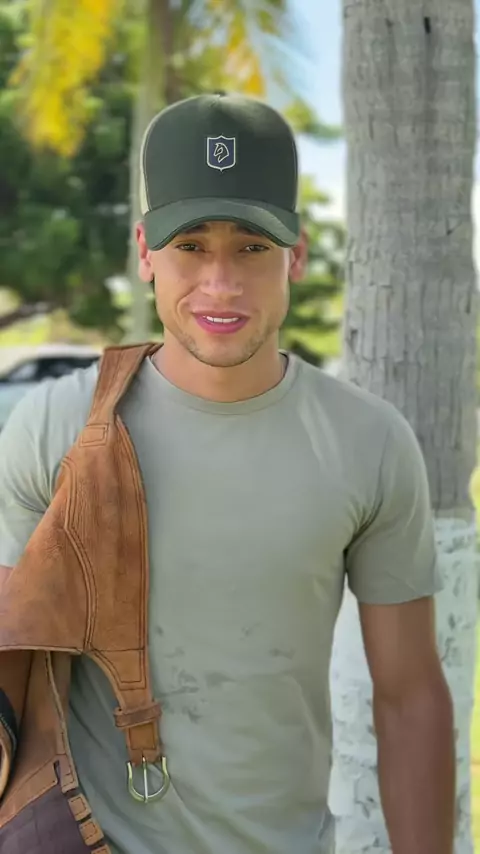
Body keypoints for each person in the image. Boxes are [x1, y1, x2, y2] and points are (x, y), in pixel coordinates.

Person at [0, 93, 454, 854]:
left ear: (295, 257)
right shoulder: (57, 427)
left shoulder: (368, 443)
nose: (220, 282)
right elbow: (7, 665)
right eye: (190, 245)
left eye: (251, 247)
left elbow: (409, 696)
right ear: (145, 252)